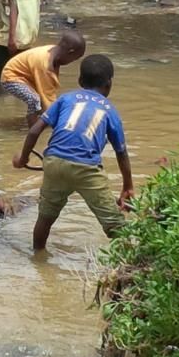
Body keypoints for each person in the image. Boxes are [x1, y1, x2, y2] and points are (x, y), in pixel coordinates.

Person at [12, 54, 135, 251]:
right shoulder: (110, 111)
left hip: (53, 162)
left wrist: (23, 158)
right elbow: (121, 152)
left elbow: (35, 130)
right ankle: (130, 264)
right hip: (86, 168)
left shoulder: (66, 99)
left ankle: (38, 257)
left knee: (46, 216)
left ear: (79, 81)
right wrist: (127, 186)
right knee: (115, 224)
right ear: (109, 83)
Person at [1, 31, 86, 127]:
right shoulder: (45, 65)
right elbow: (47, 97)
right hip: (11, 77)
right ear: (70, 52)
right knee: (34, 99)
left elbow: (50, 92)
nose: (71, 62)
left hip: (27, 76)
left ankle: (40, 121)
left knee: (43, 102)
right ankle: (33, 127)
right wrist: (60, 124)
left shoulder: (55, 52)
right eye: (74, 59)